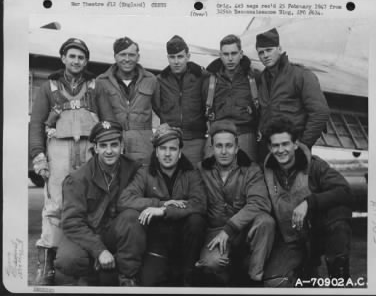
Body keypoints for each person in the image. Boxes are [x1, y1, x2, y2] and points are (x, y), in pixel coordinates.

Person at [29, 38, 115, 285]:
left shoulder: (96, 86)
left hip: (90, 150)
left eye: (81, 57)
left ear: (86, 61)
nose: (76, 61)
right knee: (55, 205)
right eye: (72, 56)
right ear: (63, 58)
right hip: (58, 151)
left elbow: (108, 121)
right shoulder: (49, 87)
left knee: (93, 201)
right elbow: (36, 123)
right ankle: (46, 267)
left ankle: (88, 262)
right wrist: (38, 155)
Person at [262, 116, 352, 287]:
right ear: (269, 147)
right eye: (275, 145)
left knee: (339, 213)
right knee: (274, 283)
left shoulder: (315, 166)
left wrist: (309, 203)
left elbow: (344, 190)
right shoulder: (265, 172)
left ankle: (340, 282)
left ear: (295, 144)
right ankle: (306, 271)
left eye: (285, 144)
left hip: (317, 234)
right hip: (290, 239)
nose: (281, 150)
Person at [117, 123, 207, 286]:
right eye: (163, 148)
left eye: (172, 149)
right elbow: (125, 200)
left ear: (180, 153)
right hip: (157, 240)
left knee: (196, 220)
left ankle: (188, 274)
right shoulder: (144, 173)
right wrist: (159, 203)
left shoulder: (191, 174)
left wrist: (164, 211)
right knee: (151, 281)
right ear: (156, 152)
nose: (167, 154)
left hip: (184, 241)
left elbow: (200, 204)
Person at [55, 121, 142, 286]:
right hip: (86, 232)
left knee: (132, 217)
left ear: (122, 145)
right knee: (68, 260)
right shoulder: (78, 178)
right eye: (103, 145)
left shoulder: (133, 169)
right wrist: (99, 250)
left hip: (114, 232)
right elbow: (72, 222)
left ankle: (127, 277)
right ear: (95, 148)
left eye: (114, 145)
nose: (109, 151)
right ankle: (88, 274)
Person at [195, 120, 275, 286]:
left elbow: (260, 203)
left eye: (229, 146)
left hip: (244, 231)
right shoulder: (201, 170)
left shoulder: (251, 170)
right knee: (212, 263)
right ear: (212, 148)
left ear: (237, 147)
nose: (224, 151)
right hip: (215, 232)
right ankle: (229, 274)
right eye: (219, 146)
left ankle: (255, 278)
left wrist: (230, 229)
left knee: (266, 222)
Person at [255, 28, 330, 163]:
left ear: (279, 48)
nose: (265, 55)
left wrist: (303, 145)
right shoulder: (262, 79)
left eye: (269, 50)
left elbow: (320, 112)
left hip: (293, 150)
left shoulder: (301, 76)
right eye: (261, 52)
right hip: (268, 149)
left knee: (296, 184)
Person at [96, 37, 159, 165]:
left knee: (142, 180)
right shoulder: (101, 81)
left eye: (131, 55)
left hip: (143, 146)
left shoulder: (151, 80)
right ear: (115, 56)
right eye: (122, 54)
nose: (127, 59)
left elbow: (162, 111)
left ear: (138, 57)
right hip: (113, 144)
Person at [202, 34, 259, 161]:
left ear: (241, 54)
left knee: (248, 173)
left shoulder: (254, 78)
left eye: (234, 53)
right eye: (226, 54)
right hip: (218, 132)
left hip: (244, 132)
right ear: (220, 55)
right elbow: (201, 106)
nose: (230, 58)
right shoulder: (210, 80)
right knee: (208, 171)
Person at [156, 35, 208, 166]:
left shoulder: (201, 77)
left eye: (180, 56)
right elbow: (156, 106)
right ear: (168, 58)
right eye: (172, 57)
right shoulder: (161, 80)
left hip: (195, 140)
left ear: (188, 56)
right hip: (170, 140)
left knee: (194, 177)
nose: (176, 61)